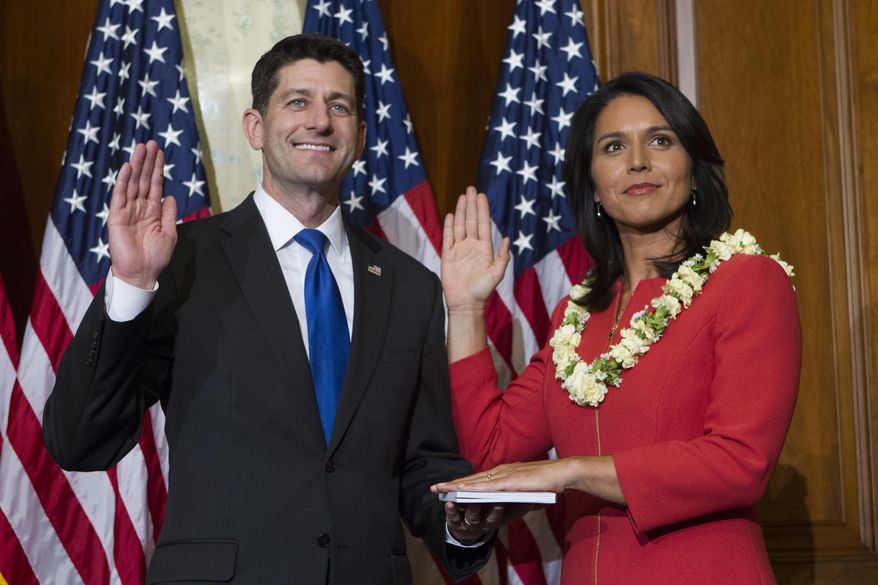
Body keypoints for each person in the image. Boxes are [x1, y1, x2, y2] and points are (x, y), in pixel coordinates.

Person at [42, 34, 497, 584]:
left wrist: (463, 524)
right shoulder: (184, 261)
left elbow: (425, 462)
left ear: (359, 136)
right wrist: (132, 285)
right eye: (298, 101)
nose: (320, 122)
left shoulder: (410, 286)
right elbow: (79, 438)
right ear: (255, 127)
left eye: (339, 106)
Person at [434, 72, 801, 584]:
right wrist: (467, 309)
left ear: (694, 169)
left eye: (659, 140)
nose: (637, 161)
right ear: (594, 188)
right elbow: (492, 454)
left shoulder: (746, 281)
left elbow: (742, 462)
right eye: (613, 146)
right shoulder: (575, 316)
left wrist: (571, 470)